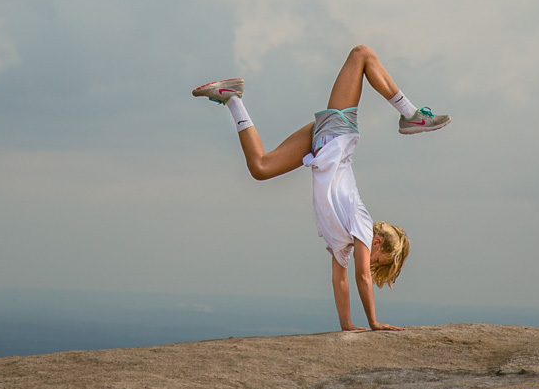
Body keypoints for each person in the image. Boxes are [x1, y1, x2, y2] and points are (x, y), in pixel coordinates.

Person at [192, 44, 449, 332]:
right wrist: (374, 323)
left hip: (321, 144)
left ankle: (232, 98)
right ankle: (410, 114)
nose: (371, 264)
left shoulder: (343, 242)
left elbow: (339, 281)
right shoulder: (362, 225)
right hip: (337, 136)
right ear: (376, 243)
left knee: (260, 168)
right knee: (361, 54)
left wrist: (348, 325)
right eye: (379, 259)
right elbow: (361, 278)